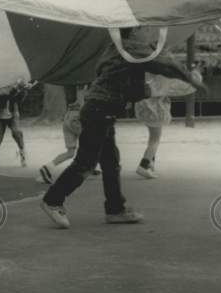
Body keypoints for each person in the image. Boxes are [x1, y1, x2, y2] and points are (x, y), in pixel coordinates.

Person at [39, 28, 207, 229]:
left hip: (99, 111)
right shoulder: (132, 48)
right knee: (86, 162)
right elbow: (165, 65)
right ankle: (53, 200)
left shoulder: (115, 49)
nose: (150, 36)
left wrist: (153, 86)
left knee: (111, 162)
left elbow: (128, 87)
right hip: (99, 113)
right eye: (145, 31)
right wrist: (190, 79)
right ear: (134, 33)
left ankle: (115, 209)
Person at [133, 69, 200, 180]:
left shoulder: (145, 74)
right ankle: (143, 166)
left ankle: (150, 162)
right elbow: (182, 88)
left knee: (152, 137)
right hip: (155, 110)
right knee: (155, 139)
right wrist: (196, 78)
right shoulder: (163, 78)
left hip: (143, 107)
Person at [36, 85, 100, 184]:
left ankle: (47, 168)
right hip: (77, 117)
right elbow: (82, 101)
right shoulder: (83, 87)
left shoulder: (71, 85)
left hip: (68, 117)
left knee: (70, 152)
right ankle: (88, 167)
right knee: (93, 141)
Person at [0, 79, 30, 168]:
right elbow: (3, 98)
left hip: (13, 115)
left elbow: (19, 99)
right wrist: (16, 89)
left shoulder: (12, 85)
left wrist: (24, 90)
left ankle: (22, 153)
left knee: (16, 132)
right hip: (0, 117)